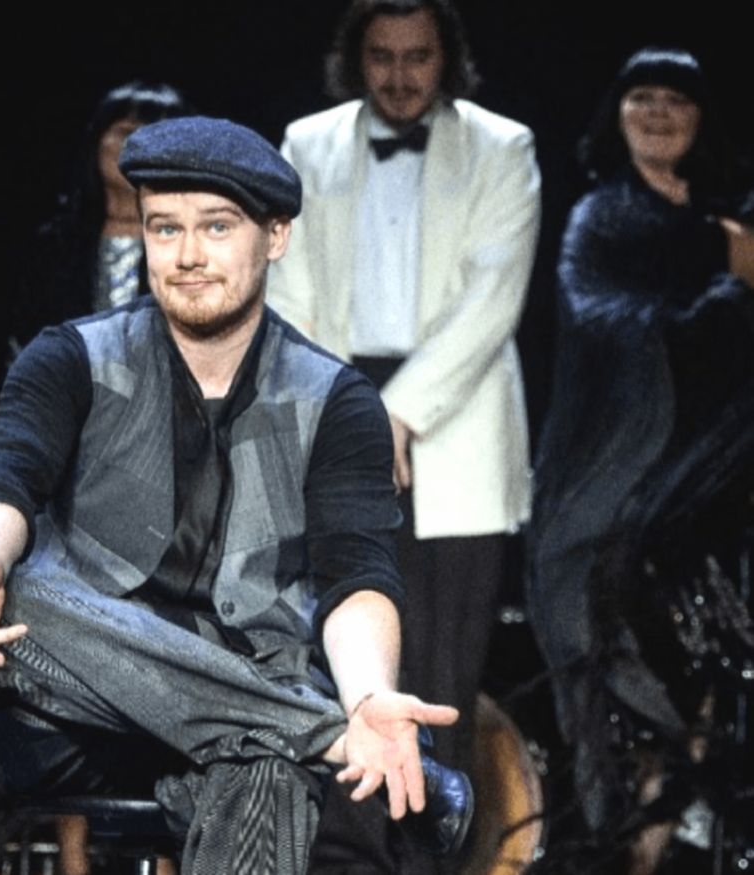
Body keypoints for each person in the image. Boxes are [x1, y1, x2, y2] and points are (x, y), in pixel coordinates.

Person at [0, 116, 474, 875]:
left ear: (275, 237)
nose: (186, 256)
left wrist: (370, 693)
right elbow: (5, 474)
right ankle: (324, 733)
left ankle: (297, 731)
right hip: (72, 711)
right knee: (16, 594)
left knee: (267, 772)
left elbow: (356, 575)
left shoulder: (336, 400)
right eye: (164, 228)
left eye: (216, 227)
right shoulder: (69, 356)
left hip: (248, 697)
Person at [267, 0, 540, 804]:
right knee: (335, 657)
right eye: (381, 56)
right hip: (334, 411)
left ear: (445, 57)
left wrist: (397, 412)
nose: (398, 76)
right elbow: (289, 292)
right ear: (356, 58)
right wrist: (352, 414)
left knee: (442, 666)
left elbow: (492, 299)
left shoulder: (503, 145)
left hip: (455, 426)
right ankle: (347, 855)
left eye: (416, 56)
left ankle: (430, 851)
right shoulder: (306, 142)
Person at [527, 48, 754, 873]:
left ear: (702, 118)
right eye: (640, 97)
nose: (657, 113)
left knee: (711, 676)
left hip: (718, 492)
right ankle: (632, 849)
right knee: (618, 671)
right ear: (615, 115)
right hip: (620, 490)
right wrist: (729, 283)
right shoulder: (602, 219)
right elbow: (601, 324)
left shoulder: (729, 217)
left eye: (676, 100)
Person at [11, 81, 192, 354]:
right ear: (97, 141)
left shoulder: (197, 246)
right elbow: (23, 344)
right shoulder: (53, 245)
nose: (137, 145)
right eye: (126, 131)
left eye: (154, 135)